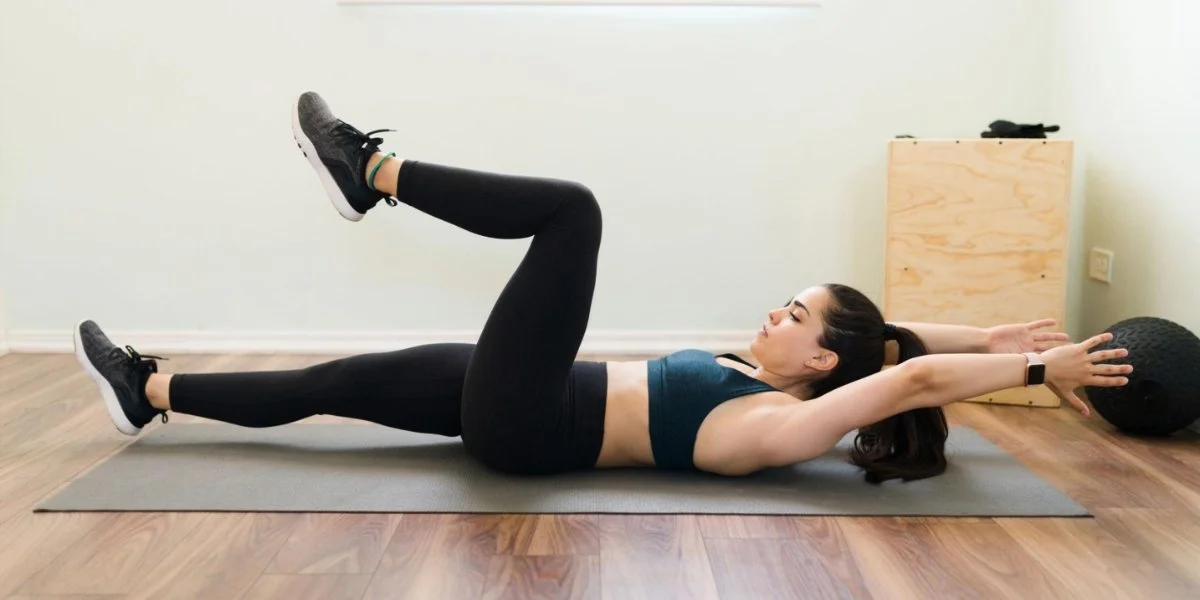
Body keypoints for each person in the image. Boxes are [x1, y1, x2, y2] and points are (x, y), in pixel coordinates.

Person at [73, 92, 1133, 483]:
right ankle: (152, 390)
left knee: (569, 213)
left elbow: (899, 381)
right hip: (532, 399)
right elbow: (891, 345)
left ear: (816, 364)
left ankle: (373, 174)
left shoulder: (774, 426)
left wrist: (1033, 366)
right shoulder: (783, 368)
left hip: (534, 427)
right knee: (344, 377)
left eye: (795, 314)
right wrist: (989, 331)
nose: (777, 310)